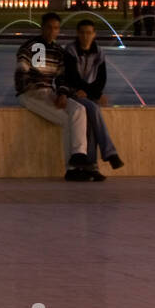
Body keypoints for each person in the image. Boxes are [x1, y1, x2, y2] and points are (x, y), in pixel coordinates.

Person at [15, 11, 101, 181]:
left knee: (79, 109)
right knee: (68, 120)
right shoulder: (32, 47)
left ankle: (78, 156)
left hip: (49, 93)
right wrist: (35, 89)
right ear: (42, 28)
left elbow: (62, 77)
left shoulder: (58, 51)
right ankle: (72, 168)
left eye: (55, 28)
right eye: (49, 27)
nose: (52, 31)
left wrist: (61, 94)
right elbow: (22, 73)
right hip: (31, 94)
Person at [63, 20, 124, 171]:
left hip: (87, 95)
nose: (85, 36)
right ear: (77, 34)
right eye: (82, 32)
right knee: (93, 109)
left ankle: (91, 166)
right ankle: (109, 153)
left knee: (91, 120)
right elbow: (72, 78)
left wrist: (92, 93)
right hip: (73, 93)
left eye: (89, 33)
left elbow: (101, 78)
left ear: (94, 34)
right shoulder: (70, 51)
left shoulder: (99, 52)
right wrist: (88, 93)